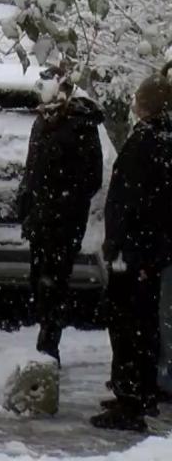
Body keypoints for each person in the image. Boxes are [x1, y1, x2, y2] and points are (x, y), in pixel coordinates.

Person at [91, 62, 172, 431]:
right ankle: (136, 392)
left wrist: (118, 243)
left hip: (137, 250)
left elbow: (131, 200)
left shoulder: (148, 142)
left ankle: (131, 399)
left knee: (129, 325)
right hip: (149, 250)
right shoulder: (161, 139)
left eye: (139, 98)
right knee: (140, 324)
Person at [16, 73, 104, 363]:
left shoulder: (81, 126)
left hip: (64, 220)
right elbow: (33, 167)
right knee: (40, 282)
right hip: (40, 219)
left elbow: (91, 178)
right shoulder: (41, 123)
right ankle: (46, 332)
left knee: (55, 281)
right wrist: (26, 201)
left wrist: (60, 200)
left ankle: (49, 343)